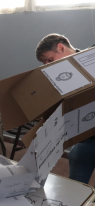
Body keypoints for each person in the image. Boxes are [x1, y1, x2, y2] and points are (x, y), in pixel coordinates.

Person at [36, 33, 95, 185]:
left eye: (49, 59)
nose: (49, 65)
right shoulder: (57, 77)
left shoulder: (91, 58)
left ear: (61, 47)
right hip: (87, 138)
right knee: (75, 185)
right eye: (45, 63)